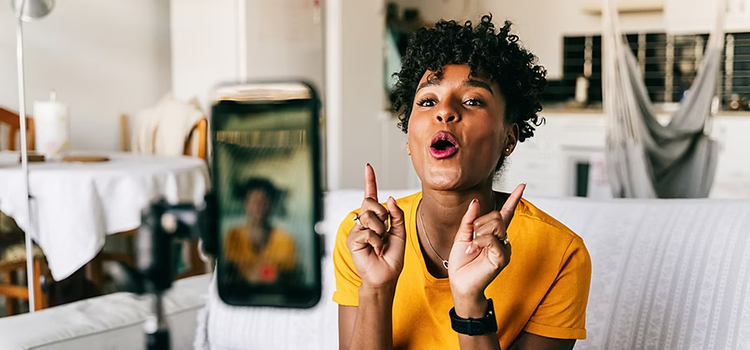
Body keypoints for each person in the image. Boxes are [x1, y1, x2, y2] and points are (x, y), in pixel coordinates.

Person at [333, 15, 592, 350]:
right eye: (427, 101)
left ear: (508, 139)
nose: (445, 112)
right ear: (410, 139)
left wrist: (470, 301)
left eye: (472, 100)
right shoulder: (363, 240)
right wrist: (376, 289)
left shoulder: (560, 254)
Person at [224, 177, 296, 284]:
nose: (258, 206)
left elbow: (287, 276)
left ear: (271, 205)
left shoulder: (286, 240)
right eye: (253, 201)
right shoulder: (233, 237)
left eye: (263, 201)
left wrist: (254, 273)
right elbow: (229, 273)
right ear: (245, 205)